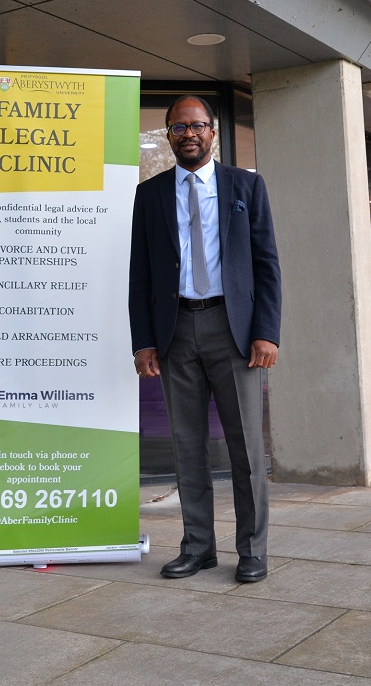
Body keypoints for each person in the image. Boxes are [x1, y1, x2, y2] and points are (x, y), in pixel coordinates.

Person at [128, 95, 282, 583]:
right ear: (168, 135)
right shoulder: (150, 195)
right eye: (178, 127)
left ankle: (251, 551)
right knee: (186, 446)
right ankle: (198, 547)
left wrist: (266, 332)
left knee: (246, 450)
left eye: (197, 125)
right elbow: (140, 275)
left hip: (232, 331)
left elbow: (267, 265)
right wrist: (143, 341)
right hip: (176, 331)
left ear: (213, 132)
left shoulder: (246, 186)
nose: (188, 133)